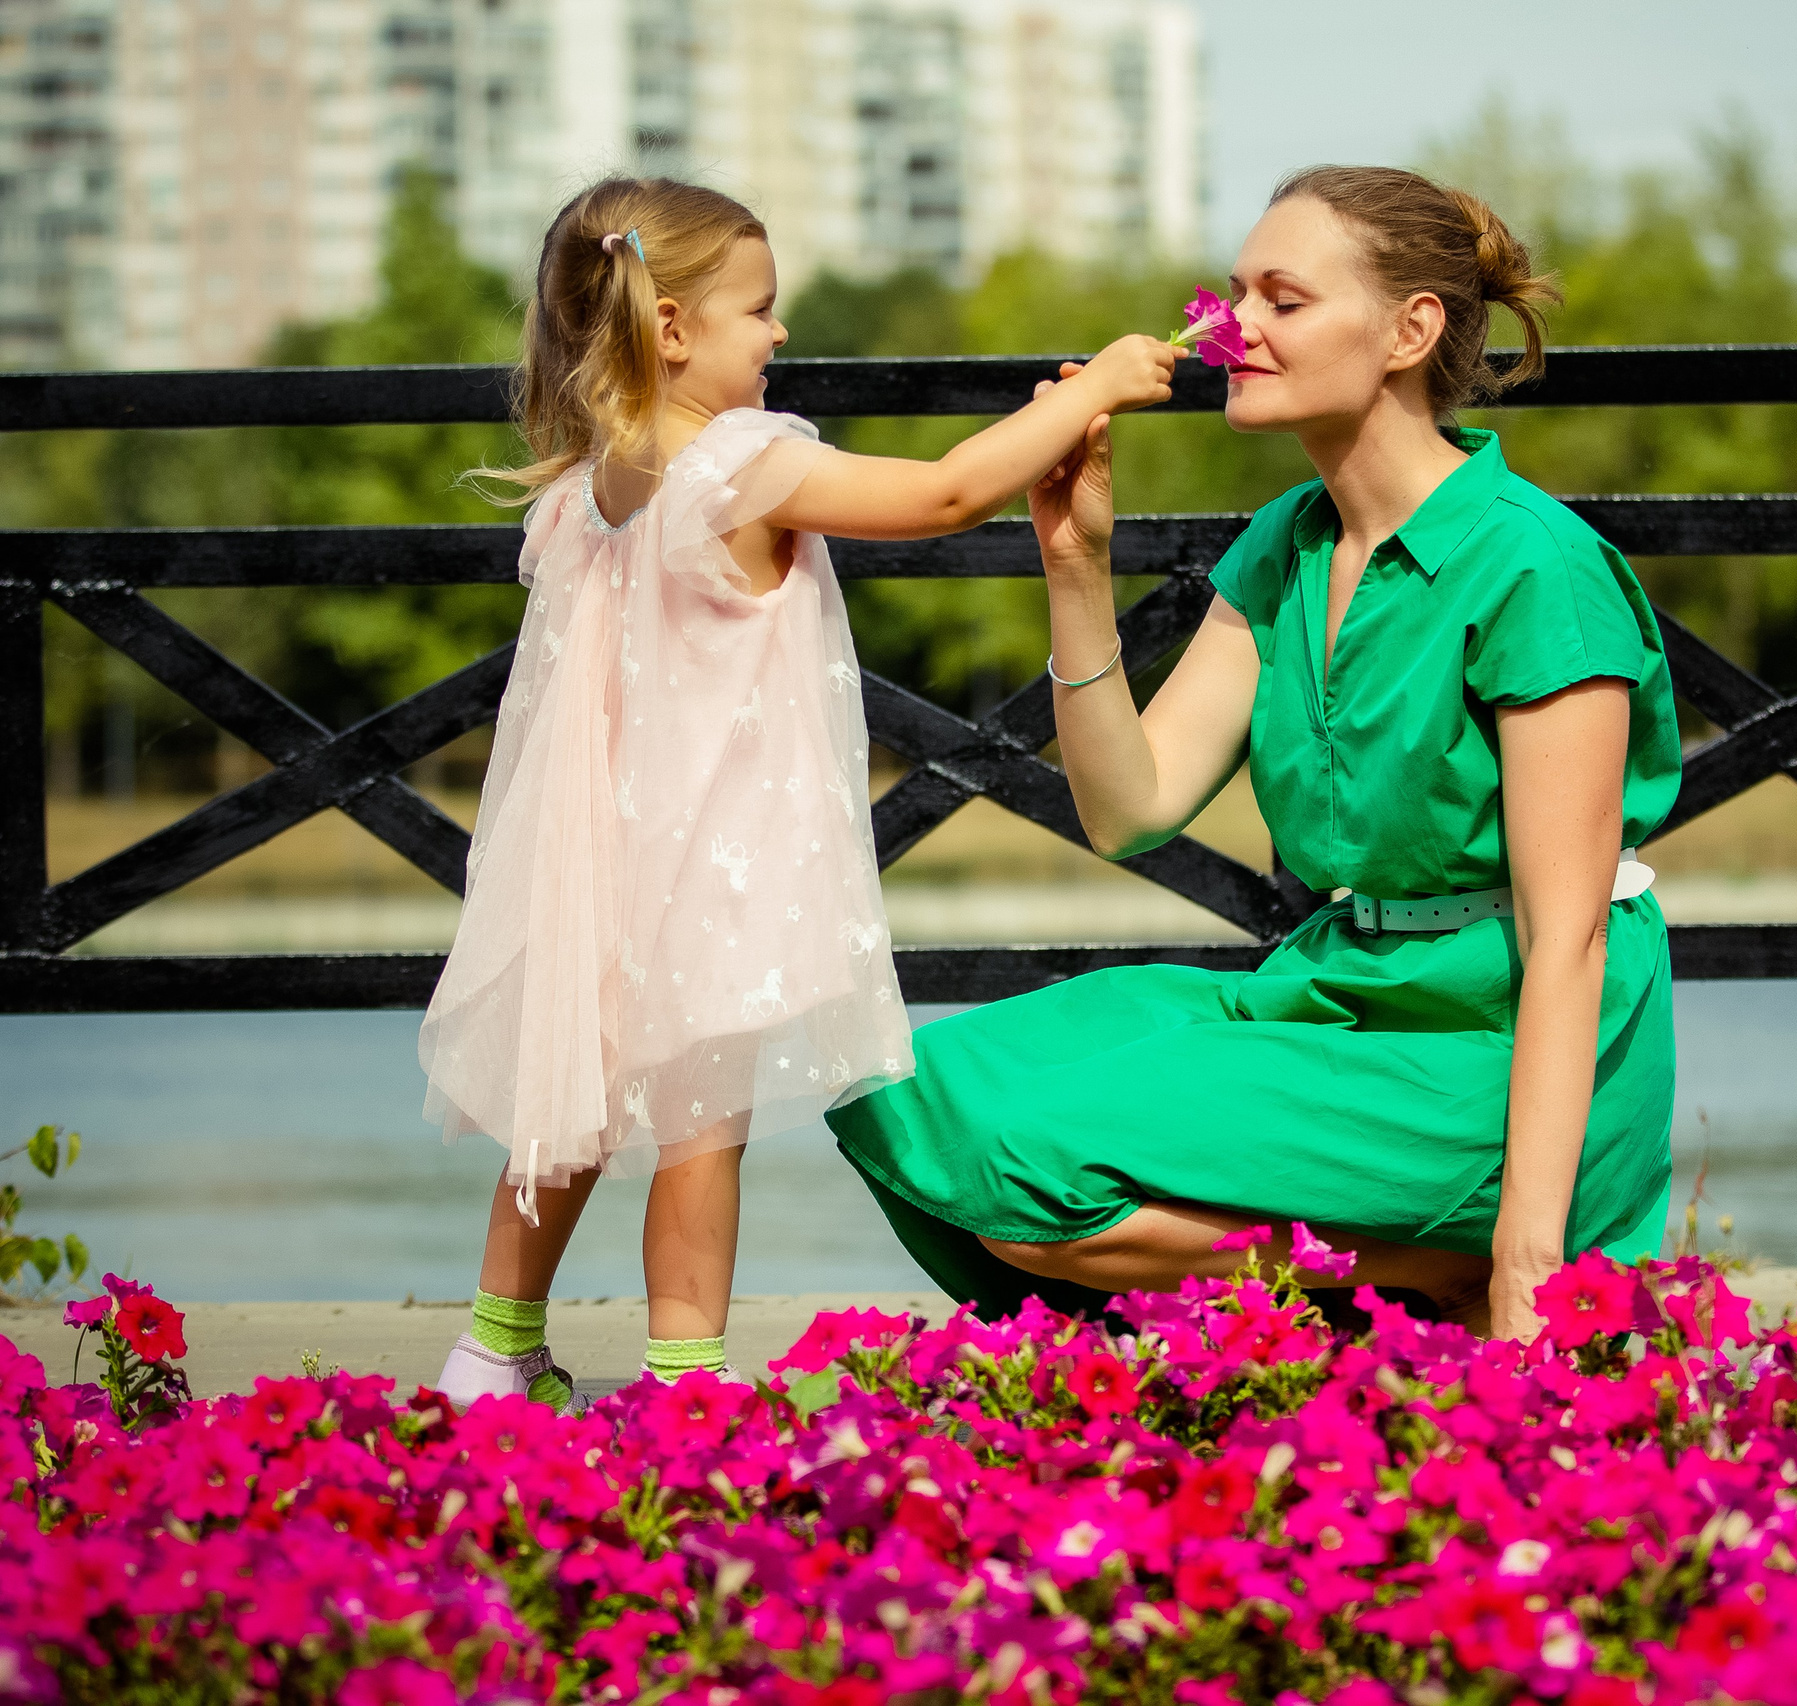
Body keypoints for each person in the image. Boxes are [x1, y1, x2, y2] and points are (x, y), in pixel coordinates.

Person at [828, 167, 1680, 1340]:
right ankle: (1405, 1277)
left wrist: (1537, 1260)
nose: (1230, 330)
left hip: (1505, 1041)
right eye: (1233, 296)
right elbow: (1132, 807)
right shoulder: (1287, 543)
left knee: (1036, 1183)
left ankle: (1469, 1270)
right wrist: (1075, 566)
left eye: (1281, 300)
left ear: (1409, 330)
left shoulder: (1534, 566)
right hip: (1343, 994)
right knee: (926, 1094)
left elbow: (1568, 936)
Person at [420, 177, 1176, 1410]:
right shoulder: (740, 468)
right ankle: (684, 1377)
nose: (780, 334)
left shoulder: (582, 489)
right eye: (759, 310)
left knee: (561, 1107)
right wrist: (1090, 392)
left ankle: (492, 1349)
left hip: (586, 865)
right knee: (699, 1129)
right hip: (708, 864)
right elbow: (940, 496)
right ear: (670, 327)